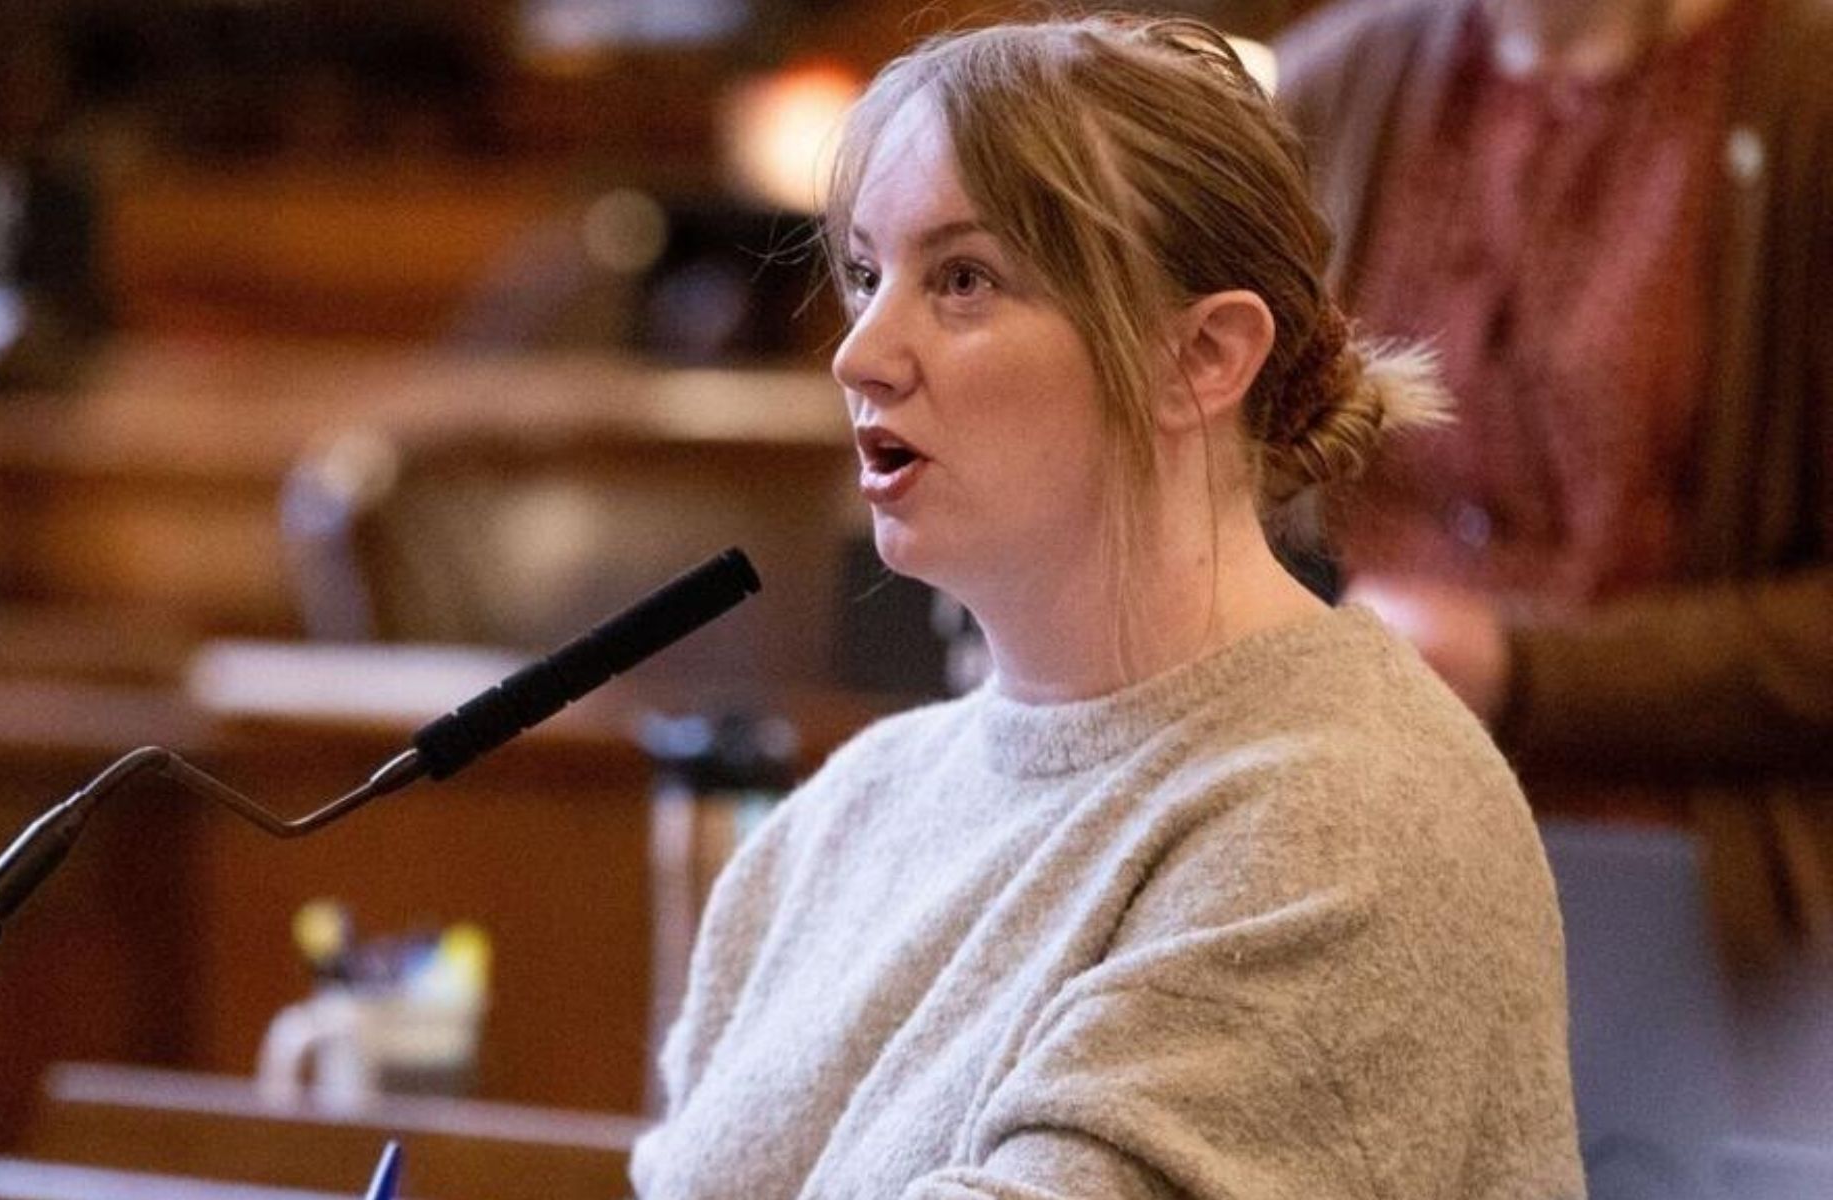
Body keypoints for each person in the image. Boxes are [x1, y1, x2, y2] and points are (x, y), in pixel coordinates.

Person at [631, 15, 1583, 1198]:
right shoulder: (845, 815)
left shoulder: (1349, 814)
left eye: (964, 279)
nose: (860, 353)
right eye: (869, 275)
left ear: (1201, 357)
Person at [1275, 0, 1833, 976]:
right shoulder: (1336, 79)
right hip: (1343, 851)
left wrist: (1524, 672)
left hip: (1694, 908)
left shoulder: (1802, 95)